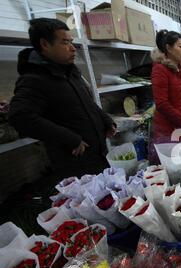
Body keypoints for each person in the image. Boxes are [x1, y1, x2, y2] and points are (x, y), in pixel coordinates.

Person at [9, 18, 116, 180]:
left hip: (98, 155)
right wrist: (70, 139)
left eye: (72, 42)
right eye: (65, 42)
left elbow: (87, 104)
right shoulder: (34, 79)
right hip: (75, 164)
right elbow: (20, 117)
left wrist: (105, 120)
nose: (73, 49)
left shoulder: (70, 72)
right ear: (45, 44)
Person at [149, 30, 181, 164]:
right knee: (173, 168)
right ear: (168, 48)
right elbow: (162, 104)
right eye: (180, 46)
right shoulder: (160, 70)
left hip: (180, 126)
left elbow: (180, 99)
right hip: (167, 129)